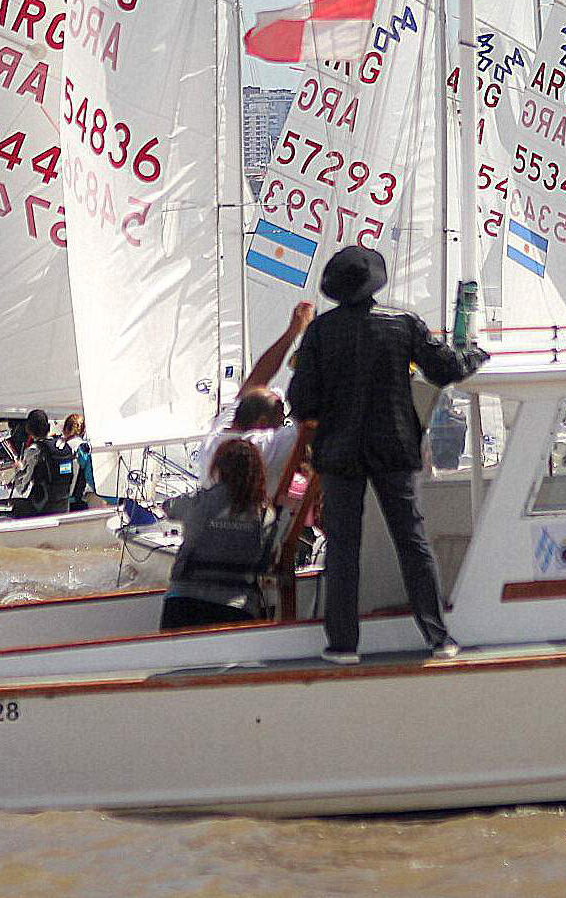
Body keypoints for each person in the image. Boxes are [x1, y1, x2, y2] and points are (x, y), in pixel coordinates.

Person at [287, 246, 487, 664]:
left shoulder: (320, 333)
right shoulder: (402, 324)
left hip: (339, 451)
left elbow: (302, 401)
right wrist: (477, 352)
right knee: (411, 542)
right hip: (394, 445)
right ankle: (437, 637)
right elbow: (444, 369)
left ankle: (343, 644)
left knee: (342, 547)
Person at [158, 439, 276, 631]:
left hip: (182, 605)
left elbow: (169, 506)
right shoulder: (265, 515)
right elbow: (264, 563)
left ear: (218, 468)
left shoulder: (198, 501)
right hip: (237, 609)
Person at [198, 302, 316, 492]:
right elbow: (308, 422)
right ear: (262, 422)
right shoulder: (267, 448)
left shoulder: (218, 434)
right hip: (256, 521)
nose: (284, 420)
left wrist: (293, 331)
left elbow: (256, 379)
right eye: (280, 417)